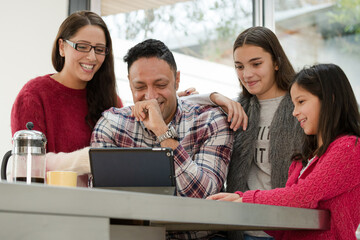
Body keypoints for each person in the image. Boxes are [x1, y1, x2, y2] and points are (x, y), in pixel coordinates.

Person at [91, 39, 234, 239]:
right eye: (140, 86)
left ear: (177, 80)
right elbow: (105, 205)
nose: (150, 96)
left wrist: (162, 131)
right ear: (129, 83)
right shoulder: (112, 125)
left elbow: (203, 200)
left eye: (160, 84)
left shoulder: (210, 121)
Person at [208, 63, 360, 240]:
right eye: (294, 104)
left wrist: (244, 200)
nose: (294, 112)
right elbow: (286, 221)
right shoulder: (302, 159)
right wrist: (244, 205)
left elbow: (301, 198)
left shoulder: (350, 148)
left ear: (331, 99)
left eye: (301, 102)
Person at [185, 26, 303, 240]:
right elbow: (179, 104)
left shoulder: (300, 106)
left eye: (256, 64)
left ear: (276, 62)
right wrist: (216, 97)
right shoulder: (237, 109)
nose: (247, 74)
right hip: (243, 229)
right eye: (239, 66)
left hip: (289, 228)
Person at [11, 11, 122, 186]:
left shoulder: (112, 101)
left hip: (102, 208)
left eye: (99, 49)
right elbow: (28, 167)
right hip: (50, 207)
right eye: (82, 46)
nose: (92, 57)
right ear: (62, 47)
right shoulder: (33, 95)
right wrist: (87, 159)